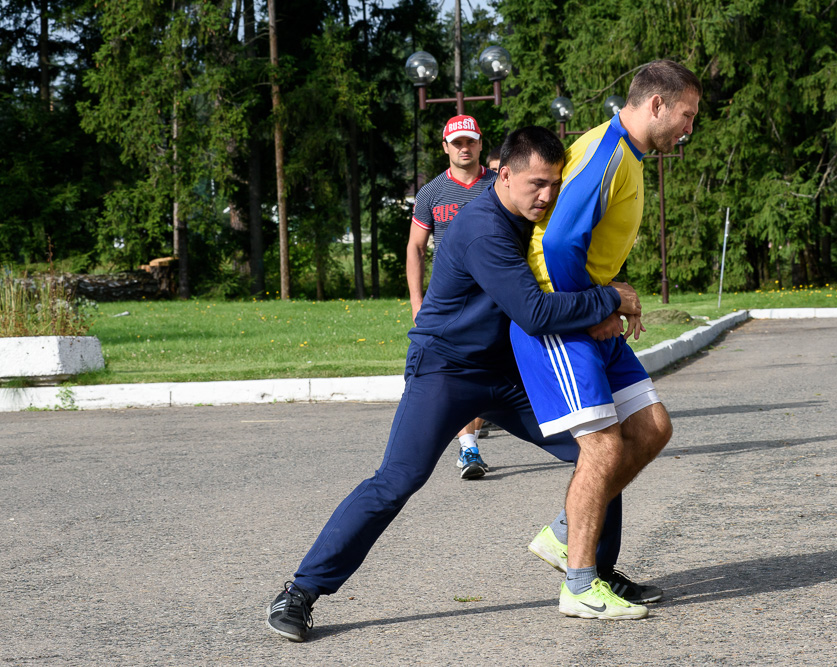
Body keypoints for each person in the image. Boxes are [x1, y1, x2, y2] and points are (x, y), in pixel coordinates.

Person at [266, 126, 648, 643]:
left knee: (600, 450)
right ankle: (300, 591)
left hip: (505, 373)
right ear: (504, 175)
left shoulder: (538, 220)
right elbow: (534, 312)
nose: (547, 195)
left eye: (555, 184)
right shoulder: (482, 229)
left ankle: (594, 571)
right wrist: (609, 300)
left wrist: (606, 292)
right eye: (536, 183)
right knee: (397, 480)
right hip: (445, 370)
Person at [513, 60, 703, 620]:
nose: (689, 129)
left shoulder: (628, 155)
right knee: (601, 446)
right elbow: (558, 245)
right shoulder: (608, 153)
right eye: (687, 115)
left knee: (652, 426)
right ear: (657, 104)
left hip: (593, 311)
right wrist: (596, 307)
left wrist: (611, 296)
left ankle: (563, 533)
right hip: (561, 317)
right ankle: (578, 585)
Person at [407, 114, 495, 480]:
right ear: (445, 147)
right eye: (457, 143)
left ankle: (474, 434)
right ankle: (468, 447)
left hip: (495, 293)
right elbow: (416, 248)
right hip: (451, 300)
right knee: (458, 371)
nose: (464, 148)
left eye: (470, 141)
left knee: (490, 370)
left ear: (480, 144)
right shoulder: (431, 193)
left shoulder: (497, 184)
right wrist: (418, 302)